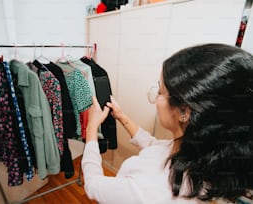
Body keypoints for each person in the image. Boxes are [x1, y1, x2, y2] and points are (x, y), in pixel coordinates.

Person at [81, 43, 253, 204]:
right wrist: (122, 117)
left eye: (161, 91)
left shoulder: (148, 189)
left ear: (184, 112)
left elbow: (93, 184)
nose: (156, 97)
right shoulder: (205, 155)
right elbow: (155, 147)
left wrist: (92, 127)